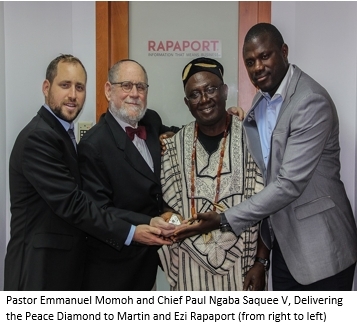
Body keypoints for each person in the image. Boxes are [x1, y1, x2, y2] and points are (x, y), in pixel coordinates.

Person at [174, 23, 357, 291]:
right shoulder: (262, 102)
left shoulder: (309, 101)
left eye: (264, 56)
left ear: (284, 52)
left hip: (321, 248)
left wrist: (224, 218)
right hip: (284, 247)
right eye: (250, 61)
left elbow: (288, 184)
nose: (257, 67)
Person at [4, 54, 172, 291]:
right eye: (65, 85)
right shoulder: (38, 137)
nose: (73, 95)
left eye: (79, 87)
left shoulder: (61, 133)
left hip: (67, 269)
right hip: (39, 271)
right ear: (46, 87)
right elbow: (74, 204)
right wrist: (132, 231)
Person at [159, 57, 269, 291]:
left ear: (225, 91)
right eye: (195, 94)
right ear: (187, 102)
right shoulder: (173, 146)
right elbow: (167, 208)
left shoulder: (254, 138)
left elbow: (268, 208)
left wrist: (261, 262)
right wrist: (179, 223)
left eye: (211, 89)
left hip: (244, 271)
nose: (205, 99)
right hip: (191, 274)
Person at [77, 59, 180, 291]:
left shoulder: (151, 120)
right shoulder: (93, 145)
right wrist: (147, 222)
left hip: (150, 265)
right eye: (126, 85)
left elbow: (182, 135)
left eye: (141, 87)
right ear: (108, 90)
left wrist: (225, 118)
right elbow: (99, 211)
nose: (134, 93)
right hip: (113, 270)